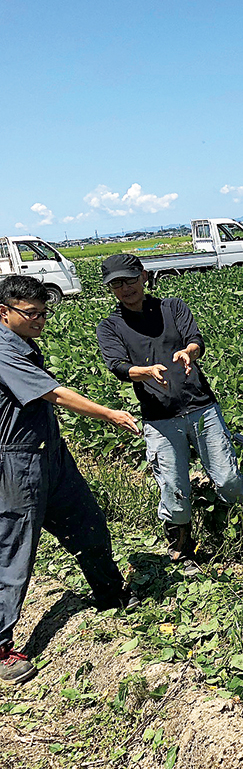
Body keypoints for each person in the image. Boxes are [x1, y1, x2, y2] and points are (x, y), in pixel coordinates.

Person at [0, 275, 140, 685]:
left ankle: (111, 593)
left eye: (44, 312)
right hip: (17, 461)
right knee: (14, 550)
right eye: (31, 314)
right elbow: (55, 395)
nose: (40, 320)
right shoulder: (3, 350)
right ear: (3, 311)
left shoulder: (21, 342)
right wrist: (110, 414)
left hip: (50, 454)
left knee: (87, 522)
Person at [95, 254, 243, 569]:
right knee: (173, 485)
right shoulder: (111, 326)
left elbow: (195, 340)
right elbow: (117, 366)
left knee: (228, 478)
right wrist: (144, 371)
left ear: (143, 276)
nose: (125, 288)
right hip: (159, 416)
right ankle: (182, 549)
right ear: (111, 289)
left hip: (201, 405)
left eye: (129, 279)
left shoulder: (173, 308)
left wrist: (188, 351)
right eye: (117, 284)